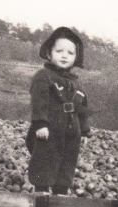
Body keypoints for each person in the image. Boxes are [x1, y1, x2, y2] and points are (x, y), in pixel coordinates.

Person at [26, 27, 91, 195]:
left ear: (76, 58)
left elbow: (82, 108)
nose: (64, 56)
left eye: (70, 53)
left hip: (72, 131)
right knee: (45, 158)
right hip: (50, 128)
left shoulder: (76, 83)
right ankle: (41, 191)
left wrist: (84, 131)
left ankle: (61, 192)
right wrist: (40, 123)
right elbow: (39, 100)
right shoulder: (43, 76)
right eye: (59, 51)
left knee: (68, 161)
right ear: (49, 53)